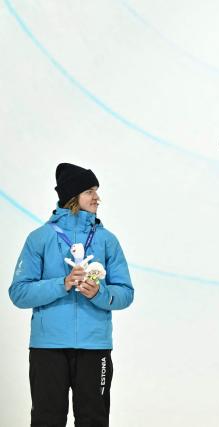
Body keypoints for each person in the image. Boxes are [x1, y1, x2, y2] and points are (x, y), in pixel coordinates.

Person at [9, 163, 134, 427]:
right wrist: (61, 284)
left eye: (96, 191)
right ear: (73, 196)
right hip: (48, 348)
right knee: (47, 420)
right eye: (90, 191)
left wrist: (100, 293)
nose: (97, 198)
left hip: (94, 347)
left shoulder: (107, 240)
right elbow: (19, 293)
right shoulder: (39, 238)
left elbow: (125, 293)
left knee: (93, 420)